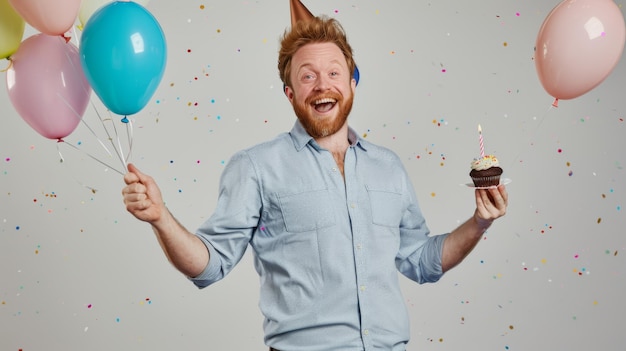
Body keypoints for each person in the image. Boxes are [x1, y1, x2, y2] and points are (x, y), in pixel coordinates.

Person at [122, 15, 508, 351]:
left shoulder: (389, 168)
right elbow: (209, 265)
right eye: (308, 76)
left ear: (352, 84)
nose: (322, 85)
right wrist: (161, 217)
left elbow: (422, 261)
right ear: (291, 93)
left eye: (334, 73)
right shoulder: (256, 167)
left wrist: (479, 222)